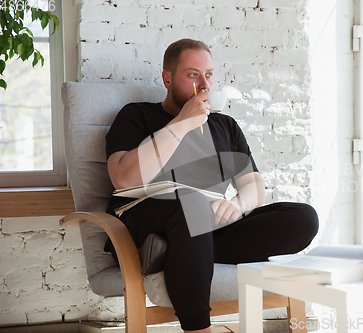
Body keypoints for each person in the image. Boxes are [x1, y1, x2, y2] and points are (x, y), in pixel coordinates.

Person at [104, 38, 319, 333]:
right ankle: (198, 328)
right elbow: (123, 178)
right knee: (191, 203)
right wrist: (181, 123)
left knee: (303, 218)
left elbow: (254, 187)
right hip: (148, 216)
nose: (204, 84)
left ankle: (178, 251)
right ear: (167, 78)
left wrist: (237, 205)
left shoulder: (224, 125)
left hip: (204, 224)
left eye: (209, 75)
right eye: (193, 74)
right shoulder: (137, 115)